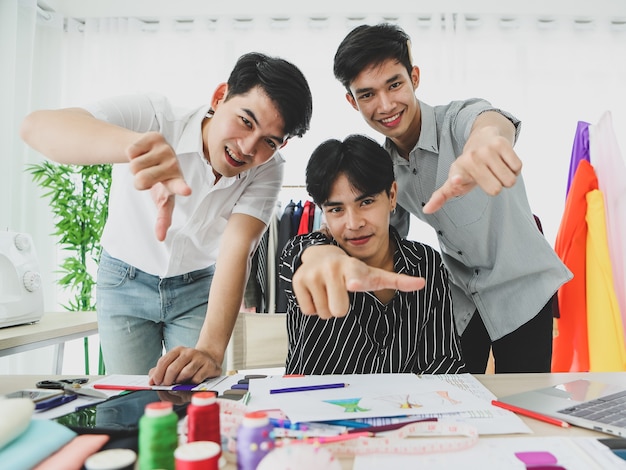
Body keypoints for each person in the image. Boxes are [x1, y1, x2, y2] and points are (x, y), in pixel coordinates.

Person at [293, 23, 572, 374]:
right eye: (367, 95)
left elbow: (489, 122)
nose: (385, 105)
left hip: (523, 292)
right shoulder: (384, 169)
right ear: (352, 101)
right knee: (457, 399)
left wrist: (486, 141)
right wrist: (323, 250)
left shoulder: (456, 121)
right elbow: (380, 233)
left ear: (415, 77)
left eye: (395, 84)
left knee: (524, 401)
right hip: (462, 301)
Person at [21, 52, 313, 384]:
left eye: (269, 141)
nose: (247, 147)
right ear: (220, 97)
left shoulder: (267, 169)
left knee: (195, 392)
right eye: (246, 121)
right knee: (130, 395)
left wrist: (211, 351)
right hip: (123, 282)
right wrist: (138, 147)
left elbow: (238, 249)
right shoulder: (155, 116)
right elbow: (36, 127)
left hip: (198, 287)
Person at [280, 134, 466, 375]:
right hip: (318, 408)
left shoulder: (427, 264)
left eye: (366, 202)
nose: (354, 223)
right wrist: (317, 257)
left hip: (406, 408)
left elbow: (443, 361)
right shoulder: (306, 254)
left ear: (391, 197)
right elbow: (297, 261)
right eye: (336, 209)